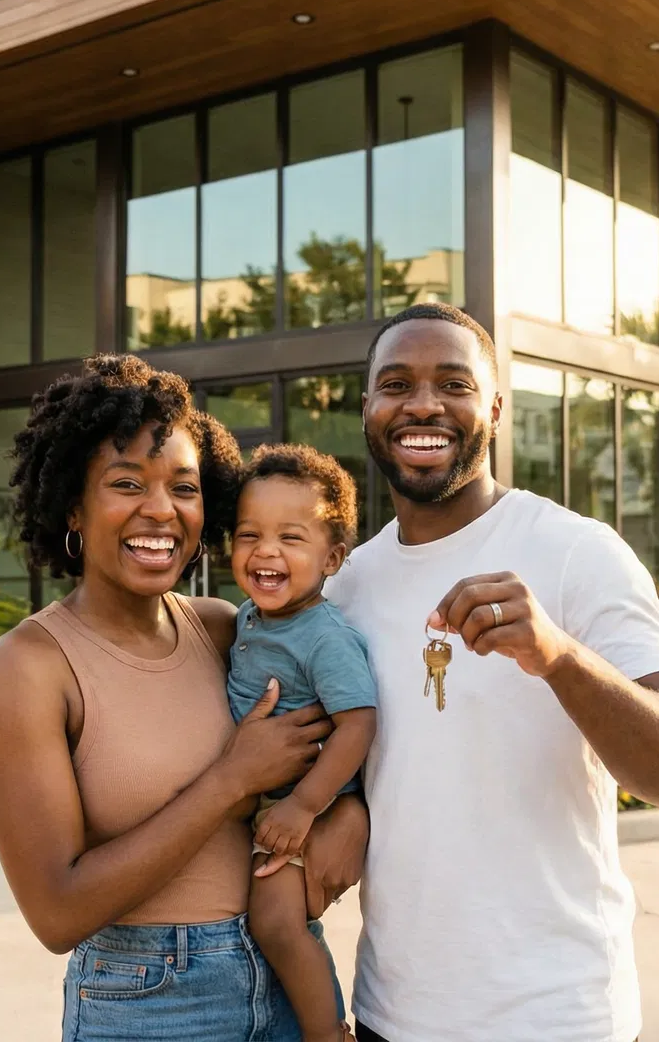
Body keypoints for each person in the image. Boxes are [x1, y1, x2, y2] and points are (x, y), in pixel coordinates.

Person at [327, 303, 659, 1042]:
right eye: (396, 384)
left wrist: (559, 657)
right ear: (368, 410)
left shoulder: (577, 552)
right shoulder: (350, 585)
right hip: (392, 1015)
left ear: (496, 409)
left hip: (558, 1017)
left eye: (454, 383)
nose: (422, 404)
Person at [0, 354, 368, 1042]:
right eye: (127, 484)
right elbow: (57, 914)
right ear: (73, 502)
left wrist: (347, 816)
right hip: (151, 1001)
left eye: (184, 488)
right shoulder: (26, 668)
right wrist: (232, 780)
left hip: (283, 974)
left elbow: (340, 730)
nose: (161, 510)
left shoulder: (225, 627)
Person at [224, 444, 378, 1042]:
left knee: (279, 925)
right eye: (249, 535)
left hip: (302, 806)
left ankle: (325, 1032)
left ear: (332, 557)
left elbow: (359, 724)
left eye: (291, 538)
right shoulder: (249, 618)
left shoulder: (324, 637)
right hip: (273, 800)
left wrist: (305, 805)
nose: (266, 551)